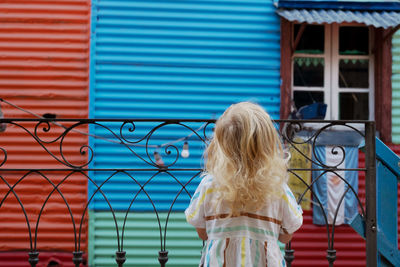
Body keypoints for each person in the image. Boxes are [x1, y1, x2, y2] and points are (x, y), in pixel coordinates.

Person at [185, 102, 303, 266]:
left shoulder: (208, 185)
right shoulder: (278, 187)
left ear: (221, 144)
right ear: (267, 145)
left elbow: (202, 233)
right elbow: (286, 236)